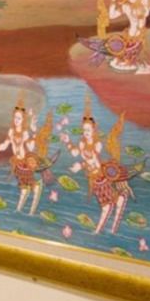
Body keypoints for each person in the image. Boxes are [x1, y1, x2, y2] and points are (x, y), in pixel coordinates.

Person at [61, 98, 133, 235]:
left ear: (94, 130)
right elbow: (75, 153)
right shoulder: (82, 143)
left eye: (88, 130)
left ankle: (109, 227)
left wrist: (81, 165)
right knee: (106, 206)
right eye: (84, 130)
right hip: (93, 180)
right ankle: (99, 230)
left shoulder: (97, 144)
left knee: (108, 205)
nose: (86, 132)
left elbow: (94, 162)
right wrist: (67, 142)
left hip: (101, 177)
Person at [0, 102, 44, 215]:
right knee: (23, 189)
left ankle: (31, 211)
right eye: (15, 117)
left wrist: (34, 131)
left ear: (23, 120)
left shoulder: (25, 133)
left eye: (19, 118)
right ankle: (19, 210)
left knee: (32, 187)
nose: (16, 120)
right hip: (17, 165)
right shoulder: (11, 132)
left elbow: (31, 147)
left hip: (26, 164)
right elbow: (4, 146)